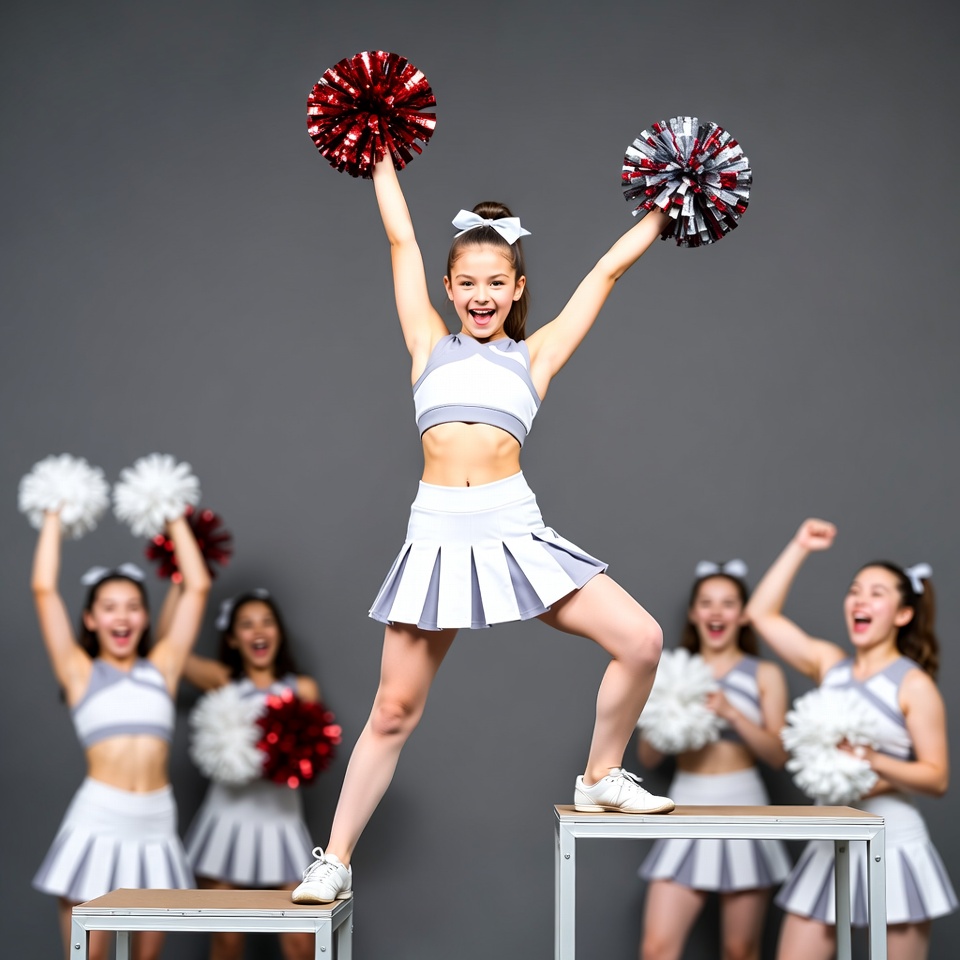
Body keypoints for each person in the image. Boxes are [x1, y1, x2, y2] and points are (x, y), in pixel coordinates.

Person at [292, 158, 676, 904]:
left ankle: (601, 776)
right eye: (467, 281)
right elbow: (401, 240)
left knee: (642, 640)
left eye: (495, 281)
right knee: (393, 709)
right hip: (436, 534)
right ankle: (334, 860)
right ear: (448, 288)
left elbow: (604, 274)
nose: (481, 295)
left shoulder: (536, 357)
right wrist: (376, 151)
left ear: (517, 289)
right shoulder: (425, 345)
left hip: (513, 530)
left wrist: (668, 206)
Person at [747, 518, 956, 960]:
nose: (860, 600)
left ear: (903, 614)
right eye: (855, 590)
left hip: (892, 842)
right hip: (829, 838)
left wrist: (870, 759)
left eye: (876, 594)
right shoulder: (830, 665)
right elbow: (760, 615)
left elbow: (936, 778)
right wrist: (799, 545)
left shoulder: (913, 683)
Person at [31, 508, 211, 960]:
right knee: (89, 955)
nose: (122, 617)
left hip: (156, 822)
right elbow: (43, 589)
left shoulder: (163, 668)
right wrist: (53, 511)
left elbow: (198, 586)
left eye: (133, 606)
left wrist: (170, 513)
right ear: (90, 620)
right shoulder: (78, 672)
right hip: (98, 819)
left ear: (146, 618)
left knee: (145, 957)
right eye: (109, 607)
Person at [637, 562, 791, 960]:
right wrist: (675, 719)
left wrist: (732, 713)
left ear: (742, 614)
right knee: (656, 949)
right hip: (685, 802)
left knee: (740, 950)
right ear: (693, 613)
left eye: (728, 603)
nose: (716, 612)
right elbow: (647, 756)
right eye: (706, 603)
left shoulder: (765, 673)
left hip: (746, 804)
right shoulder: (670, 670)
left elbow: (779, 755)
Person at [181, 589, 320, 960]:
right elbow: (172, 650)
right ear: (232, 638)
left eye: (266, 621)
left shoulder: (301, 689)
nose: (258, 631)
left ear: (278, 632)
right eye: (246, 624)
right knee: (226, 940)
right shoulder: (222, 680)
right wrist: (186, 585)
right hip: (227, 819)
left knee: (301, 940)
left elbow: (315, 750)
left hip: (281, 818)